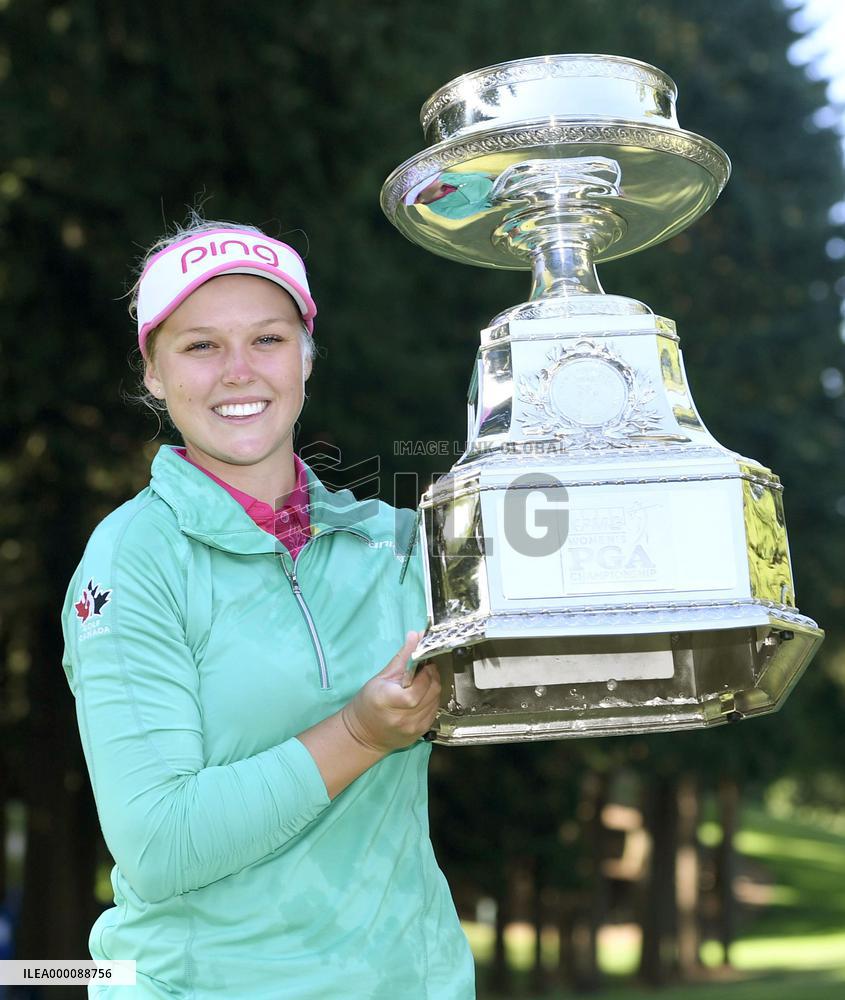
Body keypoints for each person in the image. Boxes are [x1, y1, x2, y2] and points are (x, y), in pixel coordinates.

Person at [60, 218, 476, 999]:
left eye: (268, 340)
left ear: (305, 359)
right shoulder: (132, 559)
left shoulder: (393, 544)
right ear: (153, 371)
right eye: (201, 345)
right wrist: (357, 734)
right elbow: (159, 843)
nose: (238, 372)